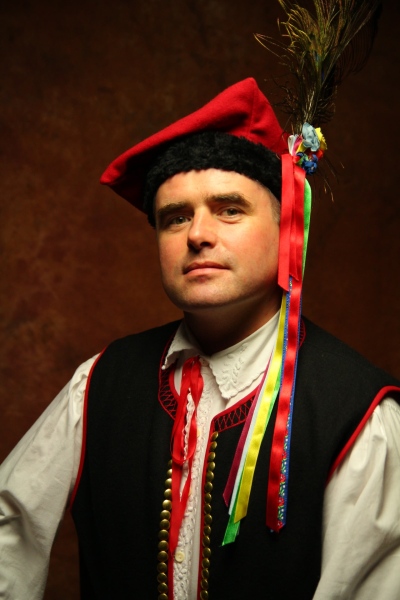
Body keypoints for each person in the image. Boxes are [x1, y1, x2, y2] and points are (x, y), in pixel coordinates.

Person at [1, 77, 400, 600]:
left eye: (229, 209)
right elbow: (10, 528)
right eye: (175, 218)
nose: (197, 235)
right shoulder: (97, 385)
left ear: (288, 229)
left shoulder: (360, 417)